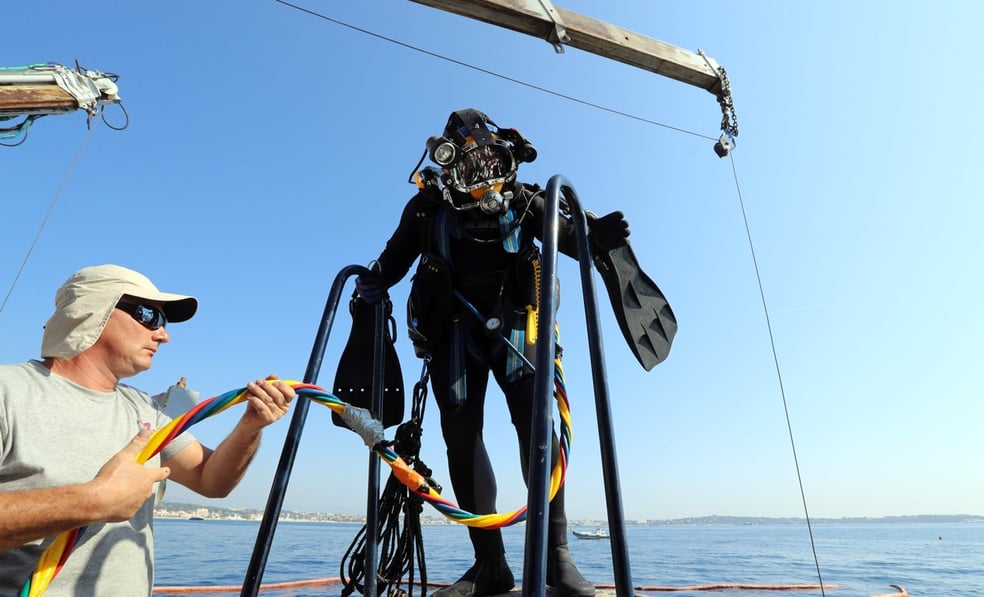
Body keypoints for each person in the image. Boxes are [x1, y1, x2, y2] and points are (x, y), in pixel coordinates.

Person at [356, 108, 630, 597]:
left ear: (508, 159)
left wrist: (595, 236)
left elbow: (571, 241)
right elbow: (394, 259)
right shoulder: (426, 210)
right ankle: (491, 565)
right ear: (449, 166)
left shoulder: (529, 203)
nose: (484, 179)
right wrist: (373, 281)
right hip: (453, 335)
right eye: (471, 166)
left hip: (521, 326)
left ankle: (556, 558)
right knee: (461, 438)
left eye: (493, 163)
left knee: (537, 432)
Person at [0, 264, 297, 596]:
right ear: (93, 311)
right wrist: (93, 501)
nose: (163, 334)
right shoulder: (7, 392)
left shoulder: (146, 410)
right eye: (149, 315)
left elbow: (211, 480)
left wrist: (249, 427)